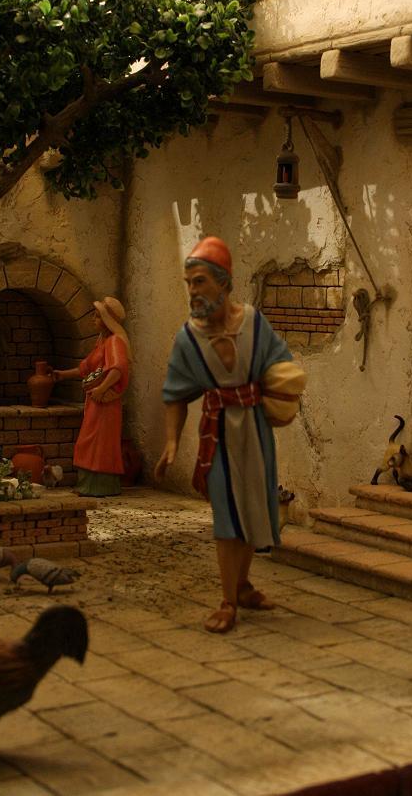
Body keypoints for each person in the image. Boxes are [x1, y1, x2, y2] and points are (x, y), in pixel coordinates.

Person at [155, 236, 301, 634]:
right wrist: (171, 443)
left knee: (255, 508)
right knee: (226, 514)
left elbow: (282, 364)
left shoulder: (254, 323)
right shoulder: (187, 339)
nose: (192, 291)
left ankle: (243, 585)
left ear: (223, 281)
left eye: (199, 281)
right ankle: (227, 601)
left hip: (255, 431)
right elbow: (175, 394)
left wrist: (284, 393)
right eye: (188, 283)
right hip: (218, 435)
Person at [51, 297, 129, 497]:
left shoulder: (115, 341)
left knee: (100, 442)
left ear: (107, 320)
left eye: (97, 316)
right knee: (90, 440)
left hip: (105, 402)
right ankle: (87, 483)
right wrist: (62, 375)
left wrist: (102, 389)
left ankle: (101, 485)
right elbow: (85, 368)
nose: (93, 319)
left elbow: (118, 369)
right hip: (95, 401)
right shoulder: (101, 342)